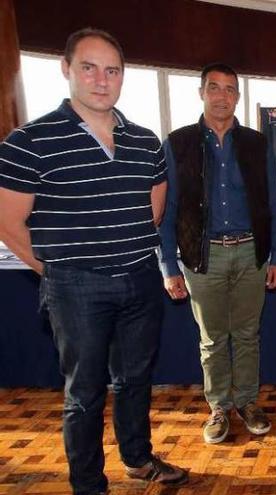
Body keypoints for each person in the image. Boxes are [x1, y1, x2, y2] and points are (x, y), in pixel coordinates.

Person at [0, 28, 187, 494]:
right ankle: (89, 485)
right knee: (84, 395)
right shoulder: (28, 142)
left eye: (112, 70)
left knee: (135, 380)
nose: (101, 80)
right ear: (66, 69)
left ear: (123, 76)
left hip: (140, 281)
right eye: (89, 67)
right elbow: (8, 225)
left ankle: (139, 459)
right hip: (75, 287)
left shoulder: (146, 142)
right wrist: (60, 274)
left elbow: (155, 211)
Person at [158, 63, 276, 445]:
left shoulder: (257, 143)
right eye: (214, 88)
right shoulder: (177, 142)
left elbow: (273, 205)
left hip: (251, 253)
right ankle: (218, 408)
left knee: (248, 334)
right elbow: (168, 210)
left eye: (230, 89)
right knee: (212, 339)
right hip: (203, 257)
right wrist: (168, 265)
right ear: (202, 92)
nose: (221, 96)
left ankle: (247, 402)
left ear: (237, 97)